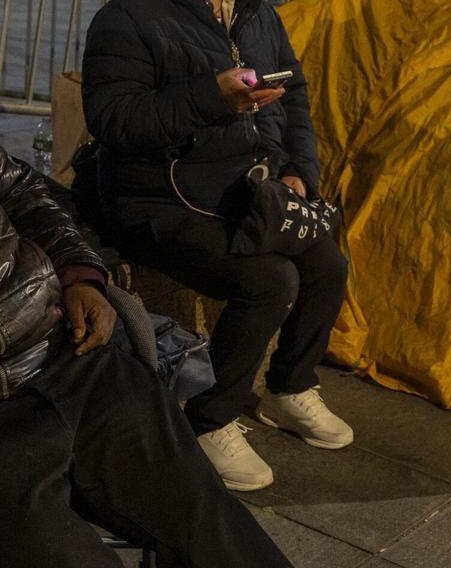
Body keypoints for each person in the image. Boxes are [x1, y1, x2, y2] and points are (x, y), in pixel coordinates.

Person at [82, 0, 351, 492]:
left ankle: (290, 386)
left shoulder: (256, 11)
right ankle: (210, 421)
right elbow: (114, 120)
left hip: (239, 190)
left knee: (327, 264)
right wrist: (211, 97)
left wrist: (297, 171)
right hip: (155, 200)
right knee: (270, 278)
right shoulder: (130, 16)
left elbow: (296, 96)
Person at [0, 146, 294, 567]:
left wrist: (79, 273)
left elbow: (24, 191)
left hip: (67, 352)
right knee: (59, 552)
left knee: (208, 520)